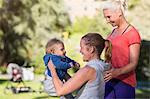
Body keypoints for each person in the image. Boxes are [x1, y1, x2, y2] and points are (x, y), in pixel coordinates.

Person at [47, 33, 111, 99]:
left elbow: (60, 91)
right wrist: (64, 74)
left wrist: (52, 70)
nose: (80, 51)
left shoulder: (88, 70)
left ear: (91, 49)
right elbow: (76, 85)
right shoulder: (104, 66)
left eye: (82, 48)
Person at [102, 0, 141, 98]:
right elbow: (109, 57)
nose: (107, 20)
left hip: (125, 83)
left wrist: (116, 72)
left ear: (119, 12)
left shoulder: (132, 33)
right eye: (105, 17)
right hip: (110, 80)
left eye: (109, 17)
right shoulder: (113, 32)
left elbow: (133, 63)